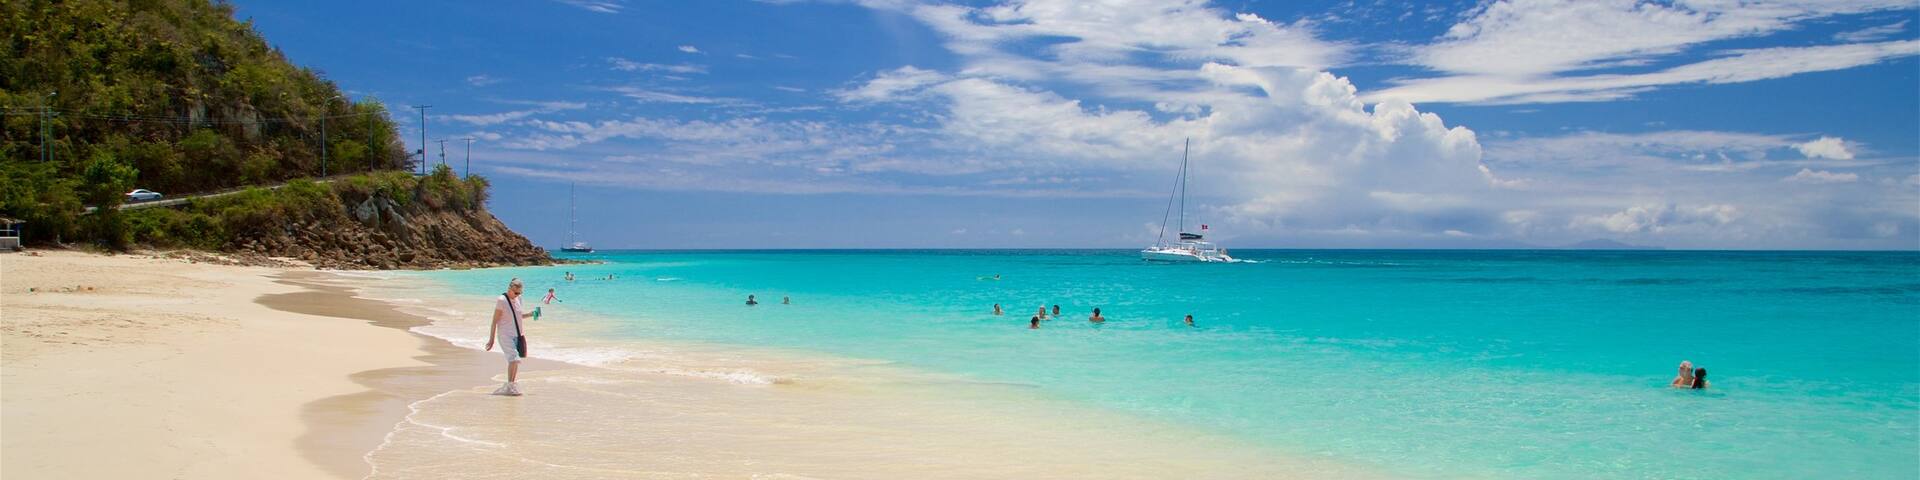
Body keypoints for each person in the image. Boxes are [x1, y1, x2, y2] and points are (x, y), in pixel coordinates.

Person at [486, 278, 534, 396]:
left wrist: (531, 314)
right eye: (516, 292)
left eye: (520, 293)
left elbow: (517, 316)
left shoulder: (519, 299)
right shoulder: (501, 300)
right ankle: (510, 386)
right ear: (509, 288)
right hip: (505, 335)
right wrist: (491, 339)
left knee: (515, 360)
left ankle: (511, 385)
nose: (518, 295)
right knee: (514, 358)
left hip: (517, 335)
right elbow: (494, 321)